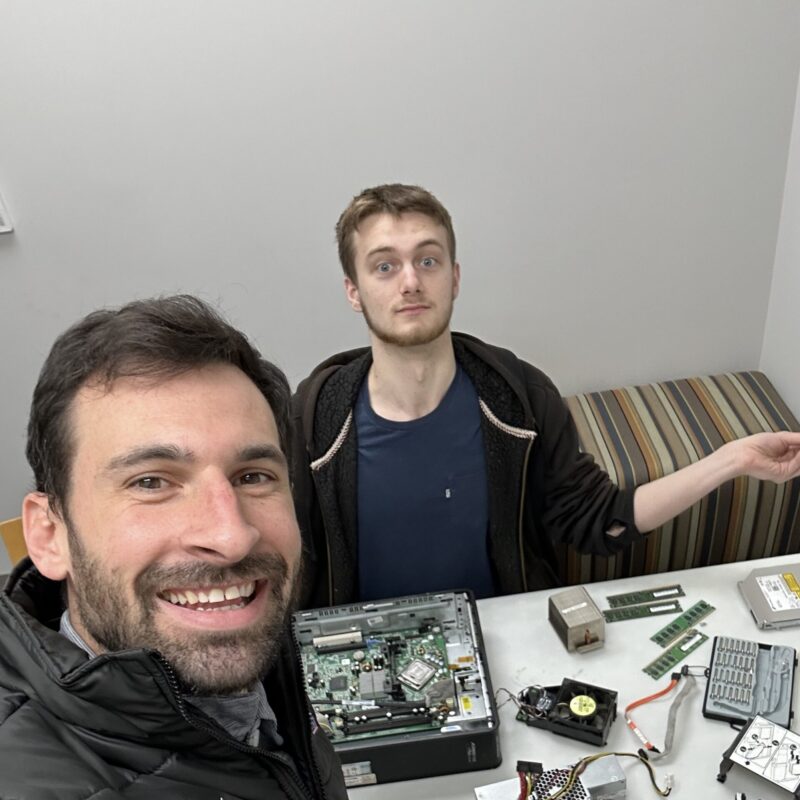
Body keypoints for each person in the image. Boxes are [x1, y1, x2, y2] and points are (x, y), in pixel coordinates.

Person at [292, 183, 800, 609]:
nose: (410, 281)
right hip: (359, 658)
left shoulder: (518, 398)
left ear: (455, 278)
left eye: (428, 260)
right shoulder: (316, 421)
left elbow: (601, 521)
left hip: (501, 641)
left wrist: (731, 460)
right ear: (353, 290)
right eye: (384, 266)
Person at [1, 296, 347, 799]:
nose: (231, 537)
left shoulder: (271, 675)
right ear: (49, 536)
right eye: (151, 482)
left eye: (253, 476)